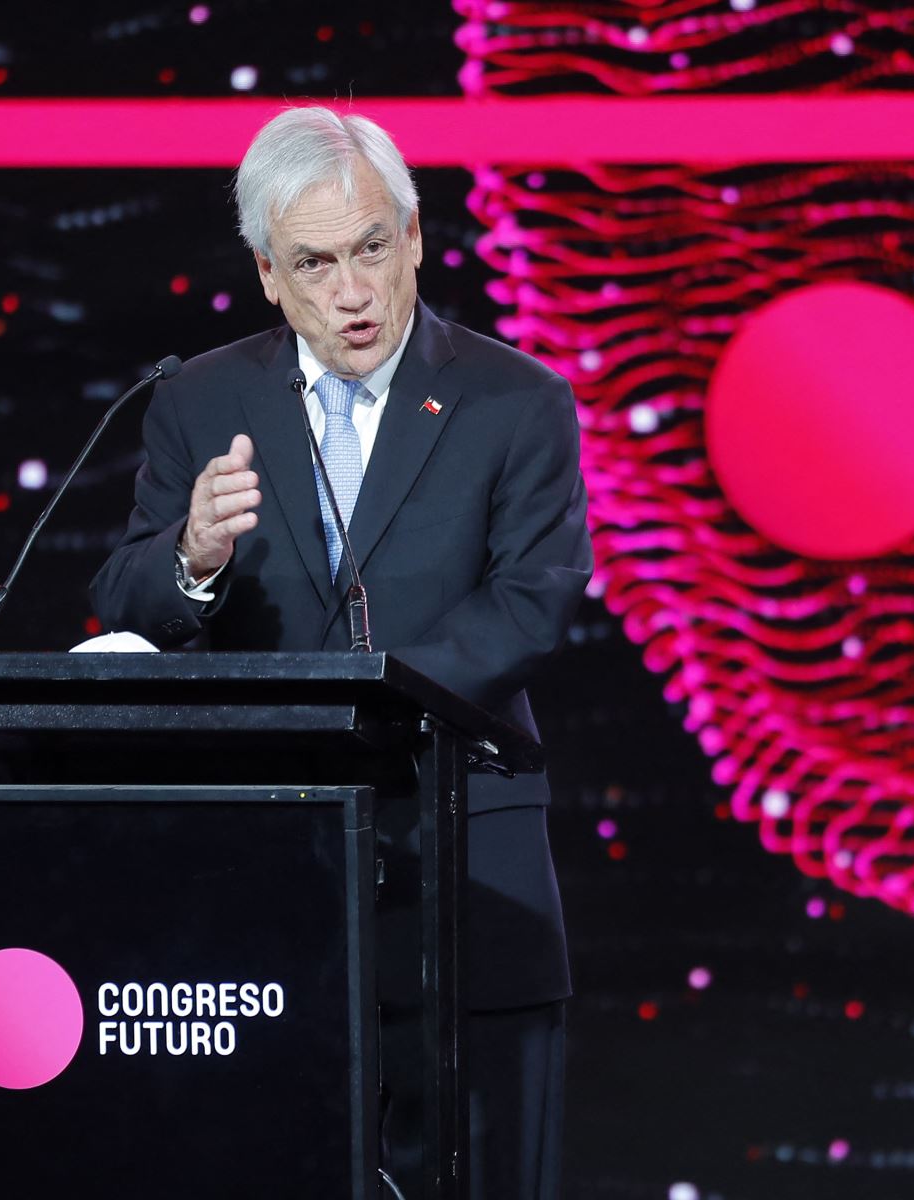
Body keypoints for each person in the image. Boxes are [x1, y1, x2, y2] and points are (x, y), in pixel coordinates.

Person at [89, 106, 591, 1199]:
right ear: (270, 275)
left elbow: (532, 603)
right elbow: (123, 596)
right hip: (266, 866)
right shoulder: (200, 400)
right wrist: (192, 555)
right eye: (316, 264)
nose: (353, 292)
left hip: (464, 853)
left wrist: (372, 701)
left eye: (372, 249)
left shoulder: (519, 403)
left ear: (416, 238)